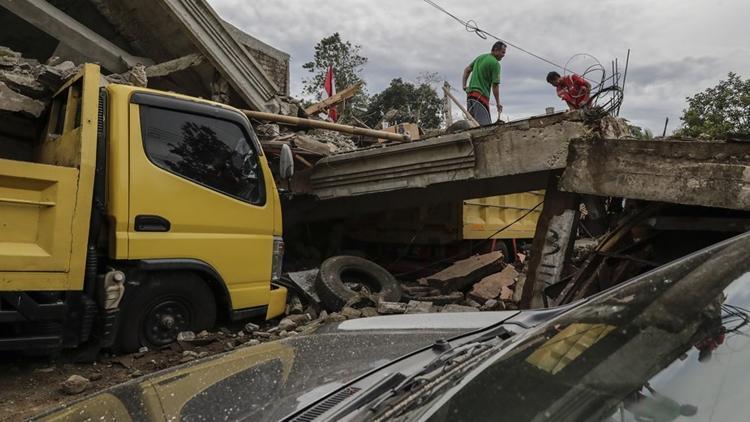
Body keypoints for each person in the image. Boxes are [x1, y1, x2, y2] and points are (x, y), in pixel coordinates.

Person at [462, 41, 506, 125]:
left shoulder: (480, 58)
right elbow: (495, 85)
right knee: (484, 126)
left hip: (470, 96)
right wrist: (498, 103)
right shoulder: (495, 63)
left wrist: (464, 85)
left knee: (472, 125)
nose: (504, 55)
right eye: (502, 52)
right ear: (496, 50)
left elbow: (467, 70)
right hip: (480, 97)